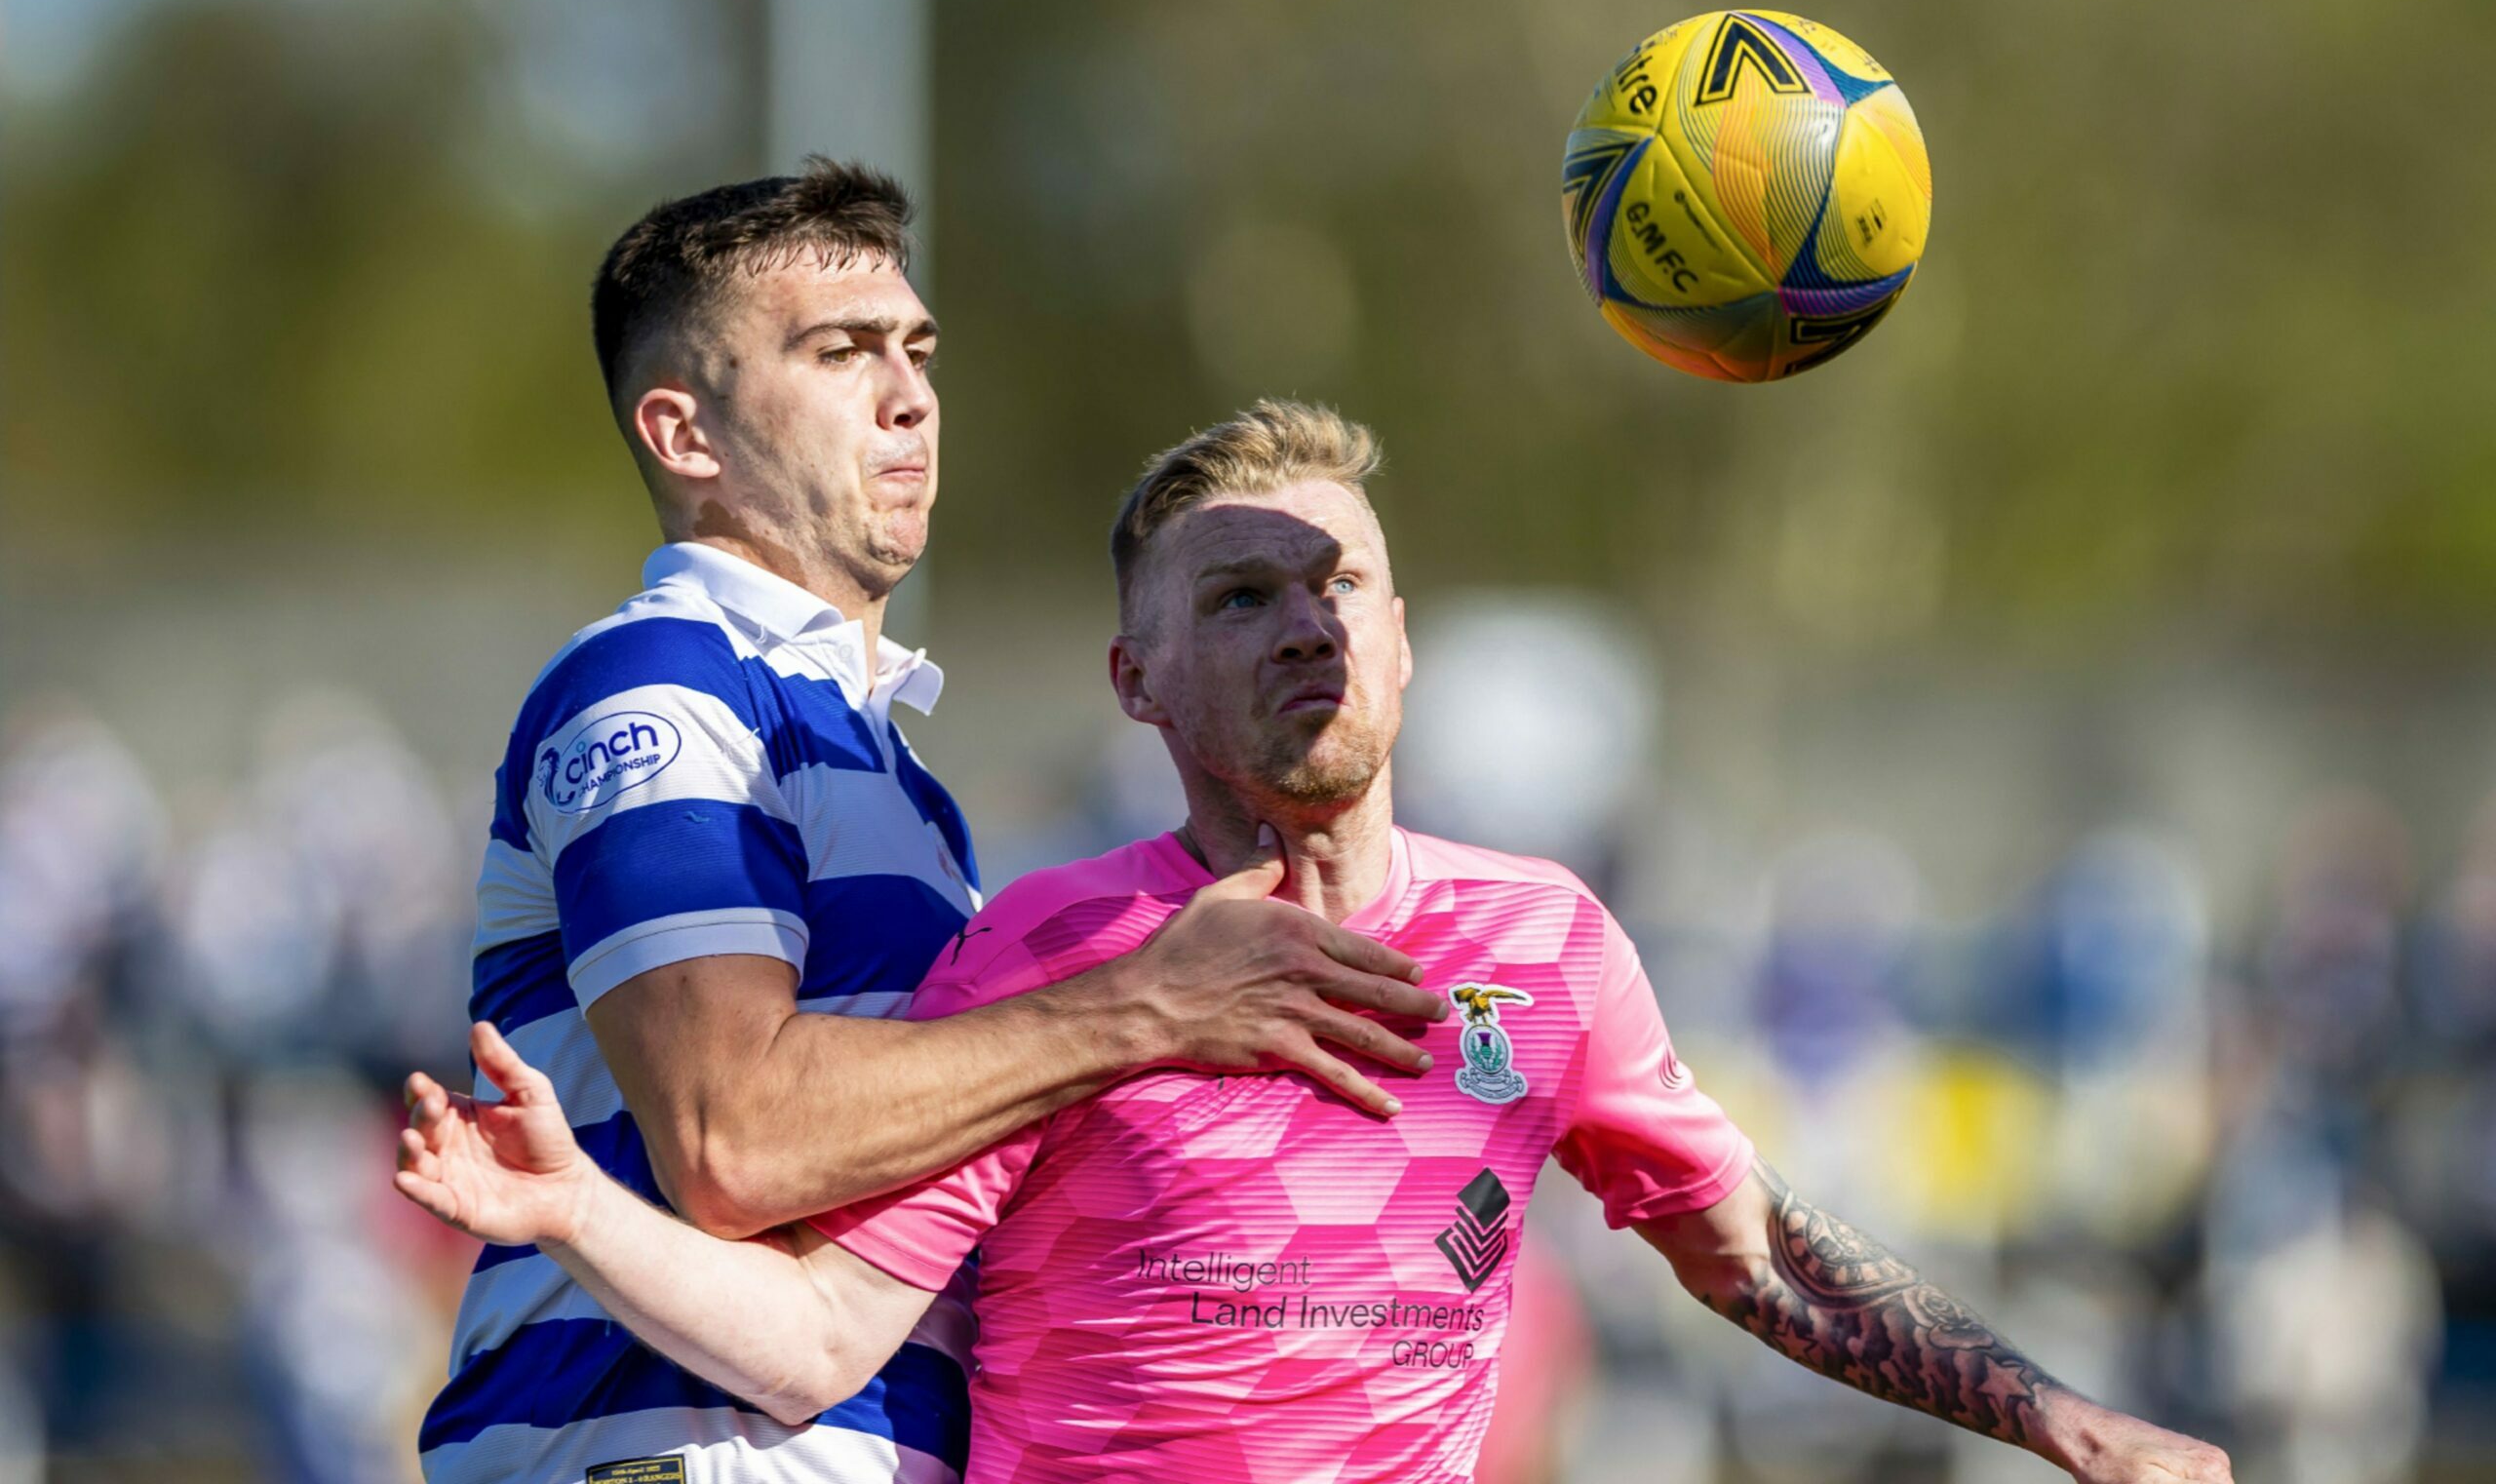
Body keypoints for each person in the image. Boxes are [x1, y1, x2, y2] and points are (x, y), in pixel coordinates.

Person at [402, 401, 2235, 1484]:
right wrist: (579, 1211)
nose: (1307, 624)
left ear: (1407, 638)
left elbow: (1758, 1258)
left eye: (1337, 580)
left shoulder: (1546, 946)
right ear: (1139, 678)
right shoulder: (1048, 958)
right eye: (1241, 594)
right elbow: (818, 1339)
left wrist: (2077, 1427)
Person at [416, 171, 1445, 1484]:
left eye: (916, 350)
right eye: (839, 351)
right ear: (685, 433)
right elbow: (735, 1141)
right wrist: (1139, 1010)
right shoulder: (663, 690)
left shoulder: (889, 768)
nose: (909, 396)